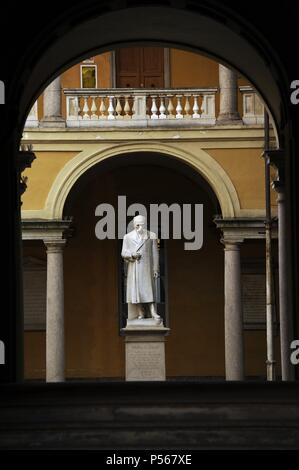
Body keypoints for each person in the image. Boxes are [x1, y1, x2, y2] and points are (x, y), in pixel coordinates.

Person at [121, 215, 160, 320]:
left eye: (141, 225)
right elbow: (123, 252)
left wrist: (155, 269)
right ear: (134, 225)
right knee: (136, 291)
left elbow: (155, 254)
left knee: (149, 289)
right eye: (137, 225)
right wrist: (132, 255)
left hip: (147, 268)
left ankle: (153, 311)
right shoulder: (127, 237)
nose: (139, 227)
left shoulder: (151, 235)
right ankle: (141, 312)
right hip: (135, 268)